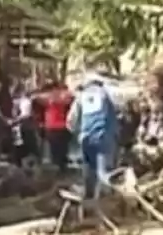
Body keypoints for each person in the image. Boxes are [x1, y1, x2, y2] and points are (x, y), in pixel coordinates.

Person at [67, 73, 119, 201]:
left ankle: (89, 196)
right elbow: (114, 116)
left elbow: (71, 120)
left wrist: (77, 132)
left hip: (86, 137)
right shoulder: (105, 94)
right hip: (103, 137)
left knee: (89, 168)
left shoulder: (81, 97)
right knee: (103, 169)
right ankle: (105, 200)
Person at [37, 79, 74, 171]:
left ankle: (56, 168)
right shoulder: (65, 95)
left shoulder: (47, 97)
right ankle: (62, 167)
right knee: (63, 149)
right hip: (63, 126)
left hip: (51, 126)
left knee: (54, 150)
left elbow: (35, 98)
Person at [10, 83, 39, 167]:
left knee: (28, 148)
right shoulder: (16, 102)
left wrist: (14, 121)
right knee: (18, 149)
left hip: (25, 129)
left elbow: (26, 115)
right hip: (17, 129)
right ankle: (20, 167)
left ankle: (30, 168)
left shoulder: (25, 102)